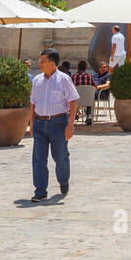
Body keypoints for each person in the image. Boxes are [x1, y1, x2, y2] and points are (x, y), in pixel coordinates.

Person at [29, 49, 80, 201]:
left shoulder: (64, 79)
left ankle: (63, 180)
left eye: (43, 61)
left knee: (60, 157)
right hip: (39, 124)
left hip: (58, 123)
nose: (40, 63)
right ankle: (40, 191)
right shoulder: (36, 80)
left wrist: (70, 125)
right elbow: (32, 104)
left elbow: (73, 102)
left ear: (52, 63)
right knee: (38, 159)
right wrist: (31, 124)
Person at [70, 61, 97, 125]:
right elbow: (95, 87)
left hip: (76, 101)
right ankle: (89, 115)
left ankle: (74, 114)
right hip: (88, 101)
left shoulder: (73, 77)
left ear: (77, 68)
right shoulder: (90, 77)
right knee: (90, 95)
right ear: (85, 68)